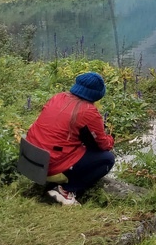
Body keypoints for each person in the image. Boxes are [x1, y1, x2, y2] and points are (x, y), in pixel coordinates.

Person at [26, 71, 115, 206]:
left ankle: (51, 183)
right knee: (107, 159)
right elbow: (102, 145)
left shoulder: (58, 97)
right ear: (97, 94)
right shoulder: (89, 111)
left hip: (29, 158)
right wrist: (110, 139)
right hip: (49, 166)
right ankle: (66, 190)